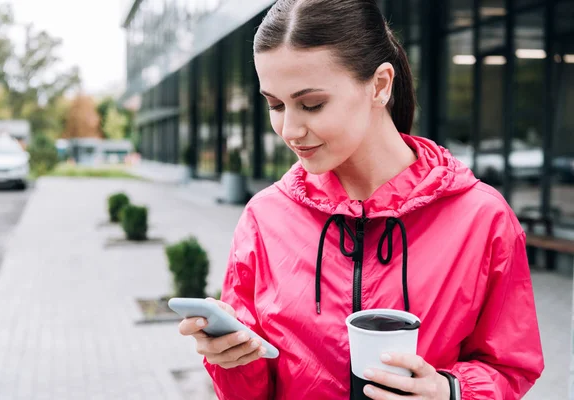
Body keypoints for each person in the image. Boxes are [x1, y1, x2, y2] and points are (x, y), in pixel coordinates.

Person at [178, 0, 545, 398]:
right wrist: (230, 361)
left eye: (312, 104)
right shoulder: (264, 218)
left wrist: (451, 391)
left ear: (380, 85)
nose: (290, 129)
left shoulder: (482, 218)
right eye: (276, 105)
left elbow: (511, 365)